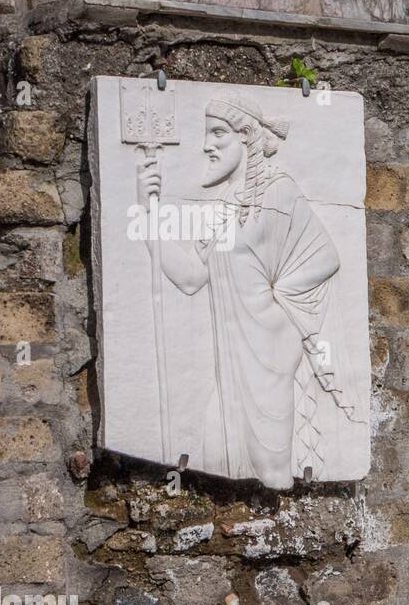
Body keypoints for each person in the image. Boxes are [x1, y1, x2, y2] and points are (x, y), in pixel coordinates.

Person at [136, 95, 358, 489]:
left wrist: (281, 309)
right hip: (230, 366)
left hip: (269, 357)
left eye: (218, 133)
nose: (207, 145)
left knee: (271, 470)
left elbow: (325, 257)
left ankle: (285, 540)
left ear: (247, 137)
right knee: (216, 451)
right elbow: (189, 277)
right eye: (207, 134)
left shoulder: (280, 191)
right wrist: (149, 211)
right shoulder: (223, 207)